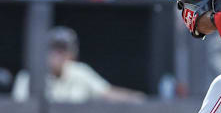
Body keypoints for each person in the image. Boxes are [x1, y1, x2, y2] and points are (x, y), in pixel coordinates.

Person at [12, 26, 145, 103]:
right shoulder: (28, 77)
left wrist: (136, 98)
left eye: (63, 50)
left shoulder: (80, 72)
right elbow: (19, 112)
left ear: (72, 54)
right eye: (53, 49)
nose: (58, 55)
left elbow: (107, 92)